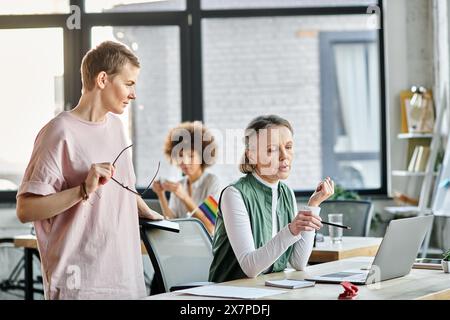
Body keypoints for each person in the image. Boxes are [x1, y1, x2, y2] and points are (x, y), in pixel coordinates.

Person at [16, 41, 163, 299]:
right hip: (80, 287)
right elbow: (26, 210)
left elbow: (121, 189)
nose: (133, 94)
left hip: (126, 282)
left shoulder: (117, 127)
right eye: (128, 84)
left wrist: (147, 212)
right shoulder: (59, 132)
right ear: (103, 79)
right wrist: (83, 189)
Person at [209, 115, 335, 282]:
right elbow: (250, 267)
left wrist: (313, 205)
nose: (284, 156)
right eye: (272, 149)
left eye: (289, 147)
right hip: (231, 293)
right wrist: (291, 230)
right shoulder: (234, 194)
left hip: (268, 289)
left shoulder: (286, 192)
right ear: (252, 155)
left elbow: (298, 263)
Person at [152, 121, 221, 235]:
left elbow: (209, 227)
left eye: (191, 156)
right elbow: (171, 221)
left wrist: (184, 197)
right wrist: (161, 195)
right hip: (181, 242)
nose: (185, 161)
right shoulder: (179, 185)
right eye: (180, 155)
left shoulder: (212, 182)